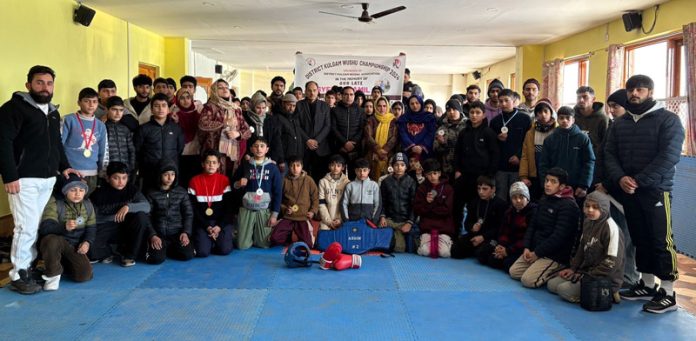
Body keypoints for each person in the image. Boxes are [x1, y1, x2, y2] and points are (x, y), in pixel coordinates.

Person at [605, 75, 685, 313]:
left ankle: (668, 292)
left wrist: (638, 181)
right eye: (630, 89)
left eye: (640, 89)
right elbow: (609, 154)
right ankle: (647, 284)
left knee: (661, 240)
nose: (634, 94)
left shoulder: (668, 120)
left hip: (656, 191)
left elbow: (669, 156)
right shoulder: (621, 123)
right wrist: (620, 178)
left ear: (650, 92)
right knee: (640, 238)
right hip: (628, 190)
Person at [0, 65, 80, 294]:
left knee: (35, 226)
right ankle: (18, 274)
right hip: (23, 179)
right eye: (39, 82)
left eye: (49, 83)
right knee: (25, 227)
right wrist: (10, 175)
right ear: (28, 85)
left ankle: (30, 266)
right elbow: (2, 143)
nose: (45, 87)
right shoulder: (12, 109)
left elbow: (56, 143)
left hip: (47, 179)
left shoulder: (53, 112)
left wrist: (64, 167)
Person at [547, 191, 625, 304]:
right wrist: (573, 269)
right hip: (587, 272)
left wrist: (586, 276)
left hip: (604, 278)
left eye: (595, 207)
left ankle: (608, 294)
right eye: (587, 206)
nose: (590, 210)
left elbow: (612, 263)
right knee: (552, 285)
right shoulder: (588, 222)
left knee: (563, 290)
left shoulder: (611, 228)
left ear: (604, 209)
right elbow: (582, 249)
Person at [509, 167, 580, 288]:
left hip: (555, 255)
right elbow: (532, 225)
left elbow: (559, 237)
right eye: (547, 180)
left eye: (553, 181)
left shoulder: (569, 206)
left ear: (562, 186)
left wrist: (537, 253)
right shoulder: (544, 199)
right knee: (514, 272)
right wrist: (526, 247)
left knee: (528, 281)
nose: (547, 184)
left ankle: (560, 268)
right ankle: (539, 267)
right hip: (537, 249)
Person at [596, 88, 639, 286]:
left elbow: (624, 163)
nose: (612, 110)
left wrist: (611, 183)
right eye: (610, 106)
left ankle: (629, 277)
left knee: (627, 237)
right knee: (611, 235)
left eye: (616, 106)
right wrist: (600, 183)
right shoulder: (613, 126)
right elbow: (603, 157)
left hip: (627, 192)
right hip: (608, 190)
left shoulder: (633, 129)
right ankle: (612, 274)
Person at [89, 162, 152, 267]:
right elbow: (94, 218)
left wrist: (128, 207)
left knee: (141, 216)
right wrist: (115, 217)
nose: (121, 182)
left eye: (124, 178)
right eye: (116, 178)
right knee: (89, 251)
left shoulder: (131, 190)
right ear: (108, 178)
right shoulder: (98, 193)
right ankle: (109, 251)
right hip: (106, 226)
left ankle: (129, 255)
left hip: (126, 227)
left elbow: (147, 206)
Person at [38, 175, 95, 291]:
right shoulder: (55, 202)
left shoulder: (88, 205)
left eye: (81, 190)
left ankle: (61, 265)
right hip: (58, 241)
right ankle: (52, 275)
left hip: (73, 245)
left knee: (84, 275)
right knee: (51, 240)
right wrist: (64, 227)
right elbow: (45, 228)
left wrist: (87, 242)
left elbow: (91, 228)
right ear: (65, 191)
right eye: (73, 190)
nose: (77, 194)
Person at [453, 101, 499, 231]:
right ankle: (456, 234)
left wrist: (489, 175)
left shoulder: (489, 133)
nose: (474, 115)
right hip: (463, 176)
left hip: (481, 178)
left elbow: (495, 155)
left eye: (478, 113)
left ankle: (472, 234)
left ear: (484, 115)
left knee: (476, 208)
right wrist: (457, 170)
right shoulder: (463, 133)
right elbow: (457, 153)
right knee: (457, 206)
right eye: (472, 112)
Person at [233, 138, 283, 249]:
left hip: (264, 209)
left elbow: (278, 193)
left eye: (262, 146)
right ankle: (241, 233)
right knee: (242, 246)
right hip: (247, 207)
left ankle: (257, 234)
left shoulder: (273, 168)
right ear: (251, 149)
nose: (259, 149)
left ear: (267, 149)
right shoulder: (245, 165)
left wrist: (274, 215)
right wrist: (238, 183)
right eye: (255, 146)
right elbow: (233, 185)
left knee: (264, 244)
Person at [539, 106, 595, 200]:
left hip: (576, 187)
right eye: (561, 118)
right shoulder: (550, 139)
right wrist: (545, 183)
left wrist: (584, 185)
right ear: (557, 119)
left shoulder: (582, 139)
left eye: (568, 118)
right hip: (554, 187)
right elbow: (543, 163)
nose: (564, 120)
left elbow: (589, 161)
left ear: (573, 120)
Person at [144, 160, 194, 264]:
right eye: (166, 174)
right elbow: (146, 216)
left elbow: (188, 214)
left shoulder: (182, 192)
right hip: (159, 235)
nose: (170, 178)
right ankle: (161, 250)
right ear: (159, 175)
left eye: (172, 174)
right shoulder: (151, 193)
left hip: (177, 234)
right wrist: (152, 235)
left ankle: (168, 249)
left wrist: (185, 232)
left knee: (188, 255)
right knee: (156, 259)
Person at [479, 182, 538, 271]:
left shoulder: (533, 212)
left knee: (507, 263)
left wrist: (508, 251)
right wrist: (501, 246)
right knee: (487, 257)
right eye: (514, 198)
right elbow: (503, 231)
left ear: (527, 198)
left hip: (522, 248)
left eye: (521, 197)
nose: (518, 201)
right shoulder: (509, 212)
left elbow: (528, 238)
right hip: (509, 245)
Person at [198, 79, 251, 177]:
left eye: (226, 87)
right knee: (216, 182)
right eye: (220, 88)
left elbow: (247, 130)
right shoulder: (210, 107)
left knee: (232, 182)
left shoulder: (236, 109)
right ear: (214, 91)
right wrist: (223, 124)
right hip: (214, 153)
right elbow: (202, 124)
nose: (225, 89)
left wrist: (238, 134)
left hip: (233, 154)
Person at [61, 87, 109, 194]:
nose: (91, 105)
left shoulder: (101, 125)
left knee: (87, 205)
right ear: (79, 102)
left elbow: (103, 151)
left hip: (92, 174)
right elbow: (58, 145)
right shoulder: (68, 120)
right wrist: (60, 168)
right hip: (71, 173)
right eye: (87, 101)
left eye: (95, 102)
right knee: (70, 205)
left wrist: (103, 173)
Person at [134, 93, 184, 191]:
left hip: (170, 172)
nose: (160, 109)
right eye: (157, 106)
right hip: (149, 172)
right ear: (152, 109)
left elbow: (180, 149)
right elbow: (137, 150)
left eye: (164, 105)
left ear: (168, 109)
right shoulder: (143, 129)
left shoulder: (176, 128)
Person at [489, 89, 532, 202]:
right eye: (501, 101)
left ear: (514, 101)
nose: (503, 104)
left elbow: (528, 142)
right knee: (500, 199)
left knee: (517, 198)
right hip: (501, 168)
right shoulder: (495, 121)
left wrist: (518, 156)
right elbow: (491, 145)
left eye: (506, 100)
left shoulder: (525, 119)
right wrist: (497, 138)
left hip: (519, 167)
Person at [188, 150, 234, 257]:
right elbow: (193, 209)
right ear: (203, 164)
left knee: (225, 250)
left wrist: (219, 226)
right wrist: (207, 227)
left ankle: (217, 240)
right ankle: (209, 241)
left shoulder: (224, 180)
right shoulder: (194, 181)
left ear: (218, 165)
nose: (211, 165)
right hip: (203, 222)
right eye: (208, 162)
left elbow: (229, 209)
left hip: (220, 222)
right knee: (202, 252)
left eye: (214, 162)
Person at [451, 176, 506, 259]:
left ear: (493, 189)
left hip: (490, 238)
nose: (481, 192)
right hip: (475, 235)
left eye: (485, 189)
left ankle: (476, 251)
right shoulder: (474, 202)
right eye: (479, 188)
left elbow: (500, 228)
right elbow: (466, 223)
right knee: (455, 250)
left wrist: (483, 237)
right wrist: (472, 227)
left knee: (482, 254)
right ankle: (474, 250)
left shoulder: (501, 205)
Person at [273, 155, 318, 246]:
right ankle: (288, 234)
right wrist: (285, 209)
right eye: (292, 166)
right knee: (275, 239)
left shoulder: (309, 180)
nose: (295, 168)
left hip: (303, 217)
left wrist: (313, 211)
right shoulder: (284, 180)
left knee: (308, 244)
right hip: (288, 216)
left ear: (302, 166)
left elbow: (315, 198)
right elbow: (278, 199)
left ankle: (304, 233)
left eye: (298, 165)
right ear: (288, 167)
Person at [413, 159, 455, 258]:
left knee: (444, 253)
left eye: (435, 173)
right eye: (429, 174)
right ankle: (420, 242)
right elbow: (418, 209)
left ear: (439, 173)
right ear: (425, 175)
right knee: (425, 252)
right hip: (427, 228)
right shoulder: (422, 188)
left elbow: (447, 210)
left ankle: (449, 243)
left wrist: (430, 206)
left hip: (444, 228)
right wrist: (427, 202)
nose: (432, 176)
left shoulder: (448, 188)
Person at [519, 98, 557, 201]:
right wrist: (523, 176)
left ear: (551, 113)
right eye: (539, 112)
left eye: (546, 111)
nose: (543, 115)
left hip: (553, 176)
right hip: (534, 176)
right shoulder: (530, 133)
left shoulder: (557, 132)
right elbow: (525, 156)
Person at [379, 153, 417, 252]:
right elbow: (382, 201)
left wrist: (409, 222)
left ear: (406, 166)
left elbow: (415, 205)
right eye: (396, 165)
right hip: (390, 220)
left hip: (404, 221)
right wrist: (382, 216)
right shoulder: (385, 182)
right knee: (385, 245)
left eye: (402, 165)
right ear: (392, 166)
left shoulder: (411, 182)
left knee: (402, 249)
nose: (399, 167)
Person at [297, 81, 332, 182]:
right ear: (305, 91)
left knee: (320, 177)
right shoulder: (299, 105)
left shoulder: (325, 105)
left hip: (321, 148)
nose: (312, 93)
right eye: (309, 90)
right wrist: (307, 140)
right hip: (304, 147)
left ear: (318, 91)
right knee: (303, 176)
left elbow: (327, 125)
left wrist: (316, 140)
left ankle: (319, 198)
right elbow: (297, 125)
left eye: (314, 90)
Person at [573, 86, 608, 181]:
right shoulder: (571, 117)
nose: (581, 100)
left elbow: (606, 145)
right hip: (575, 163)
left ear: (593, 99)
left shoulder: (603, 119)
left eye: (585, 97)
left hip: (595, 165)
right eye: (578, 97)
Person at [170, 88, 203, 188]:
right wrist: (175, 122)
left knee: (194, 183)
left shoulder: (199, 113)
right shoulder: (174, 114)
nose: (186, 101)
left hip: (196, 152)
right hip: (180, 154)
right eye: (182, 98)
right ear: (178, 100)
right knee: (181, 182)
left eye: (188, 97)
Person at [242, 94, 285, 169]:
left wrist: (275, 159)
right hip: (249, 157)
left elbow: (276, 140)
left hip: (268, 157)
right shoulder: (245, 118)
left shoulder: (271, 120)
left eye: (264, 108)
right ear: (252, 106)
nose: (261, 111)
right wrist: (247, 153)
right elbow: (243, 139)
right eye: (258, 107)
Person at [331, 86, 365, 173]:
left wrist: (353, 142)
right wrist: (345, 142)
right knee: (338, 174)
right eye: (346, 94)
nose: (349, 97)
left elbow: (362, 129)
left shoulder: (360, 110)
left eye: (351, 94)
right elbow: (334, 128)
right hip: (339, 147)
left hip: (355, 148)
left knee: (354, 175)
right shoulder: (335, 110)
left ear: (354, 96)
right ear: (341, 95)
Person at [364, 97, 398, 180]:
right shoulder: (370, 120)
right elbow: (368, 136)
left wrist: (385, 150)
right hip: (373, 154)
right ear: (375, 107)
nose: (382, 108)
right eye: (379, 106)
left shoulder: (393, 120)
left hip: (388, 154)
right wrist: (378, 149)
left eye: (384, 106)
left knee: (387, 179)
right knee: (373, 179)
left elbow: (395, 137)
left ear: (387, 107)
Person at [434, 99, 467, 180]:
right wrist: (442, 144)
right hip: (448, 168)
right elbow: (435, 148)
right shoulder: (442, 128)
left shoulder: (468, 125)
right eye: (448, 110)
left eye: (454, 109)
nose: (451, 112)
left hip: (465, 167)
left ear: (459, 110)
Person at [104, 96, 136, 178]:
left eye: (121, 110)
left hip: (125, 171)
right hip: (108, 172)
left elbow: (131, 150)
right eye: (114, 109)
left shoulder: (125, 129)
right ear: (107, 110)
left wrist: (131, 167)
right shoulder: (103, 128)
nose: (118, 113)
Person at [341, 158, 381, 223]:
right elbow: (344, 204)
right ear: (355, 171)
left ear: (369, 171)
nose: (362, 173)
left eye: (364, 170)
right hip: (352, 221)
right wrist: (346, 220)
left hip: (369, 221)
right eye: (359, 170)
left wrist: (374, 220)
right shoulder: (350, 185)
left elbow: (378, 204)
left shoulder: (374, 185)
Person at [397, 95, 436, 161]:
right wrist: (411, 146)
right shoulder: (403, 118)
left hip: (424, 151)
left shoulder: (429, 117)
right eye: (412, 104)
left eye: (417, 103)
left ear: (421, 103)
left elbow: (431, 133)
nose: (415, 106)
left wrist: (422, 147)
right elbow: (402, 133)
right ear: (408, 105)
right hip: (408, 150)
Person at [318, 154, 351, 231]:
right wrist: (329, 222)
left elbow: (348, 205)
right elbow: (321, 204)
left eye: (338, 165)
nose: (335, 168)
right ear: (329, 166)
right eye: (333, 165)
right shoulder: (323, 182)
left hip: (342, 220)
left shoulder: (348, 183)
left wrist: (340, 220)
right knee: (323, 237)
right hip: (326, 220)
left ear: (343, 167)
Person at [277, 93, 309, 161]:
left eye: (294, 106)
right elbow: (277, 141)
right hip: (285, 159)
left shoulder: (295, 118)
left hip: (297, 158)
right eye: (289, 105)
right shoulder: (278, 118)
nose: (291, 108)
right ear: (283, 104)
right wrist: (281, 160)